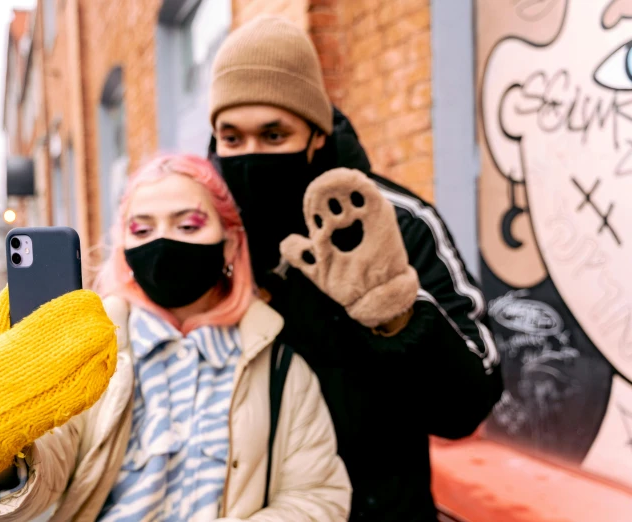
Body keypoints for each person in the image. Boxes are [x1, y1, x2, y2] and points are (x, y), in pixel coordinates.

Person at [0, 154, 351, 522]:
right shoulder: (87, 352)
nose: (163, 243)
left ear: (229, 244)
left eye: (188, 224)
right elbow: (42, 471)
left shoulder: (280, 369)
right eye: (142, 230)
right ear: (123, 246)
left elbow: (318, 498)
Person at [207, 16, 504, 521]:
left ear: (316, 135)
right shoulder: (208, 231)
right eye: (231, 139)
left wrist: (396, 317)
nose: (250, 156)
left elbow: (468, 404)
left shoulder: (390, 223)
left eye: (274, 134)